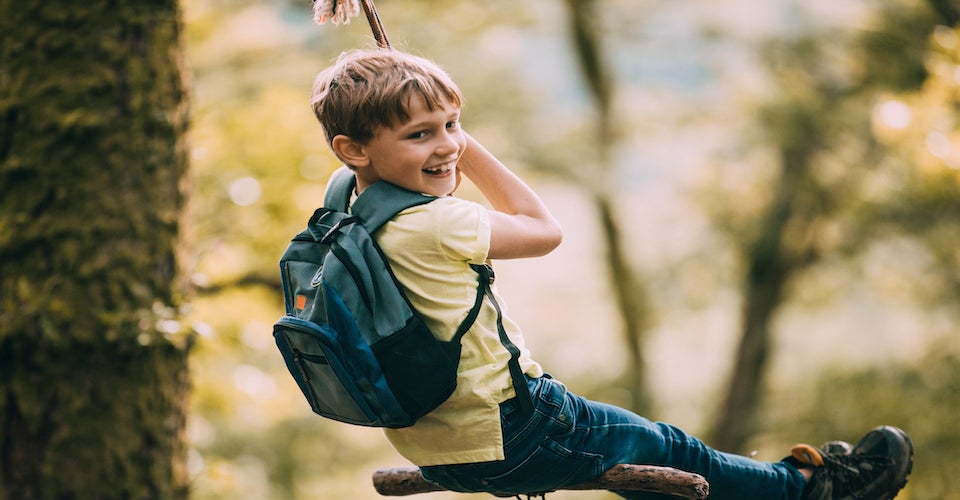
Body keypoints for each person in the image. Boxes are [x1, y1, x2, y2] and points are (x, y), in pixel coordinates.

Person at [308, 47, 914, 500]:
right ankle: (811, 488)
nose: (446, 146)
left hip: (439, 445)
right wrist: (470, 149)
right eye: (421, 135)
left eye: (452, 125)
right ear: (354, 149)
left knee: (637, 465)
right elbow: (543, 228)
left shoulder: (343, 209)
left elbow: (397, 165)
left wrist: (425, 136)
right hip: (518, 427)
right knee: (672, 449)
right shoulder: (435, 221)